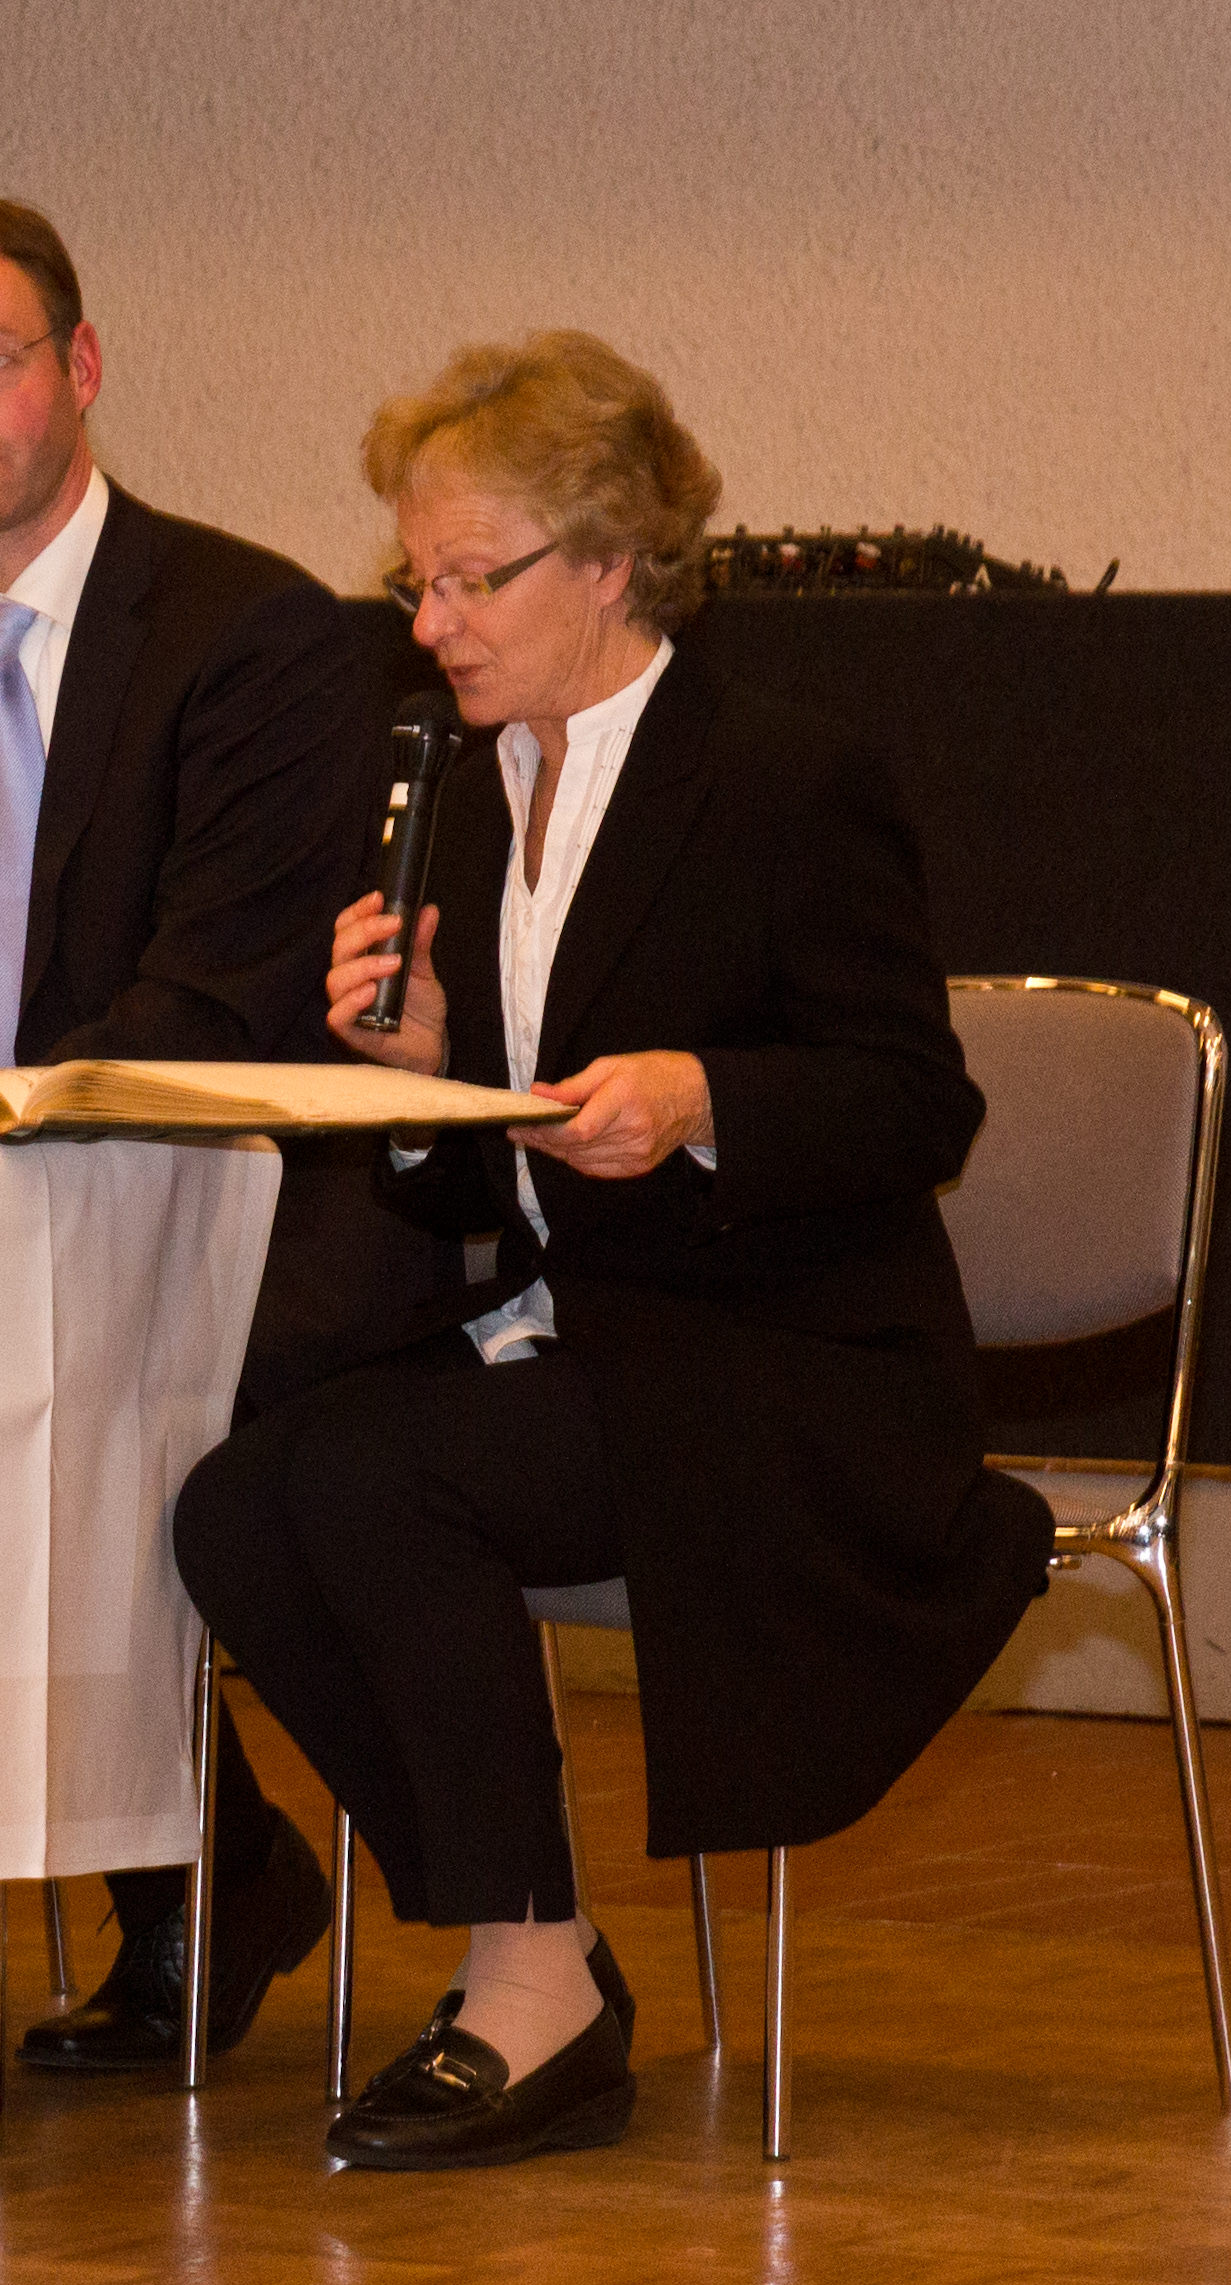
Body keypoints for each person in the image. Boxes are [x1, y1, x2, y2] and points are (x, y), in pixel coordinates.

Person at [175, 331, 1053, 2170]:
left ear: (605, 562)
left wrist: (700, 1094)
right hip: (574, 1337)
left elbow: (913, 1102)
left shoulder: (782, 778)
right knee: (234, 1506)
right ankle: (542, 1938)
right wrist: (420, 1080)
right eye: (410, 582)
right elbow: (467, 1182)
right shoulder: (457, 787)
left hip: (776, 1359)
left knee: (374, 1476)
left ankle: (525, 1987)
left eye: (466, 580)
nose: (428, 623)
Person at [0, 190, 437, 2086]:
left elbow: (212, 1002)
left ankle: (201, 1876)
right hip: (9, 1206)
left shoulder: (253, 633)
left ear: (79, 368)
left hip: (243, 1209)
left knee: (15, 1393)